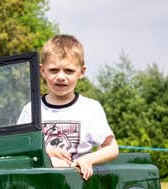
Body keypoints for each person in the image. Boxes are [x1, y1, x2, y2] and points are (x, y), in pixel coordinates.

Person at [17, 35, 118, 180]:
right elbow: (19, 147)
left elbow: (112, 148)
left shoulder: (90, 109)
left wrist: (88, 159)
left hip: (77, 185)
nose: (61, 76)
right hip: (40, 185)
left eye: (69, 71)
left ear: (81, 72)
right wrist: (44, 151)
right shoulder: (31, 109)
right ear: (42, 70)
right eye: (53, 70)